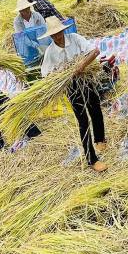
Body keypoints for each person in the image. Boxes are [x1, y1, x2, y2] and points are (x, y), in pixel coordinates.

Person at [40, 16, 108, 172]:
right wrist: (59, 74)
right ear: (50, 36)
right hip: (71, 87)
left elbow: (95, 51)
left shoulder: (75, 39)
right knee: (83, 121)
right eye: (54, 34)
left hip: (86, 79)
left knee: (95, 109)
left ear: (63, 30)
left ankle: (100, 139)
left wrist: (81, 65)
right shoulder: (50, 52)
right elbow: (46, 75)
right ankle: (91, 159)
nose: (58, 36)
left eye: (59, 32)